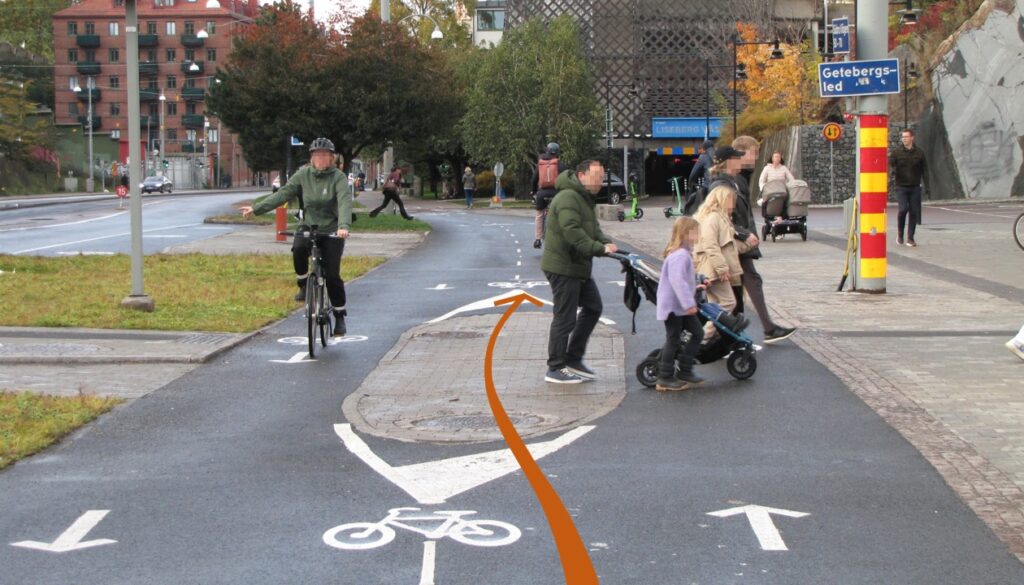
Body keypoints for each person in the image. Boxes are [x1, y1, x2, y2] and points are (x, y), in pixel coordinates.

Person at [239, 137, 353, 336]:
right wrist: (256, 208)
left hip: (332, 229)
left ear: (331, 158)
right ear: (311, 158)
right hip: (308, 224)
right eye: (317, 155)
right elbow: (283, 194)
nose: (321, 159)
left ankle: (339, 316)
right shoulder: (303, 175)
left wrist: (343, 226)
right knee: (299, 247)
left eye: (325, 155)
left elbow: (344, 202)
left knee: (332, 274)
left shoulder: (338, 178)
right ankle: (302, 283)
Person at [541, 159, 618, 384]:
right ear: (581, 175)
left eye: (602, 177)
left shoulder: (584, 199)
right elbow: (572, 231)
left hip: (577, 267)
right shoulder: (567, 197)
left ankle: (573, 358)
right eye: (596, 176)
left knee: (593, 308)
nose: (600, 182)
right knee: (564, 318)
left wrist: (606, 241)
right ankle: (555, 368)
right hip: (563, 267)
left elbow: (593, 229)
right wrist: (598, 249)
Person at [715, 136, 797, 344]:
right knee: (741, 283)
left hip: (735, 240)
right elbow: (724, 215)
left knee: (742, 282)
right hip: (733, 241)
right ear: (740, 155)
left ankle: (734, 332)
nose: (756, 158)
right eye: (753, 153)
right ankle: (734, 332)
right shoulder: (731, 181)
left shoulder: (738, 179)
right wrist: (743, 233)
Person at [656, 216, 705, 392]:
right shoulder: (680, 256)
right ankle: (665, 376)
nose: (699, 235)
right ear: (686, 233)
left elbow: (684, 280)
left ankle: (685, 369)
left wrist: (696, 287)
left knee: (697, 333)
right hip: (675, 307)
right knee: (674, 338)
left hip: (681, 307)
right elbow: (678, 281)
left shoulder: (683, 254)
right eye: (696, 231)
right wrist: (688, 303)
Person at [693, 186, 744, 339]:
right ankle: (703, 336)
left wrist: (749, 244)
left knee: (714, 306)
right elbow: (710, 243)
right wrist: (722, 268)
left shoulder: (716, 217)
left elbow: (728, 245)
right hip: (712, 269)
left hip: (710, 268)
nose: (733, 205)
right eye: (731, 200)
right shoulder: (714, 217)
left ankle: (710, 338)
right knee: (729, 302)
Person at [890, 128, 928, 247]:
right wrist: (892, 174)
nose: (904, 139)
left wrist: (927, 186)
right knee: (903, 210)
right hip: (901, 186)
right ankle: (900, 233)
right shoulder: (896, 152)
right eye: (903, 137)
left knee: (914, 212)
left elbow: (925, 170)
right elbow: (890, 166)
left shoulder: (919, 153)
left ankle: (910, 238)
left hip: (915, 187)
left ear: (912, 138)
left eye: (906, 137)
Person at [531, 142, 567, 249]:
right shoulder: (560, 164)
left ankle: (537, 239)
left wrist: (533, 191)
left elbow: (533, 179)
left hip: (542, 193)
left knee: (539, 215)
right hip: (557, 193)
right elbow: (567, 178)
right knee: (562, 212)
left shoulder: (540, 164)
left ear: (547, 150)